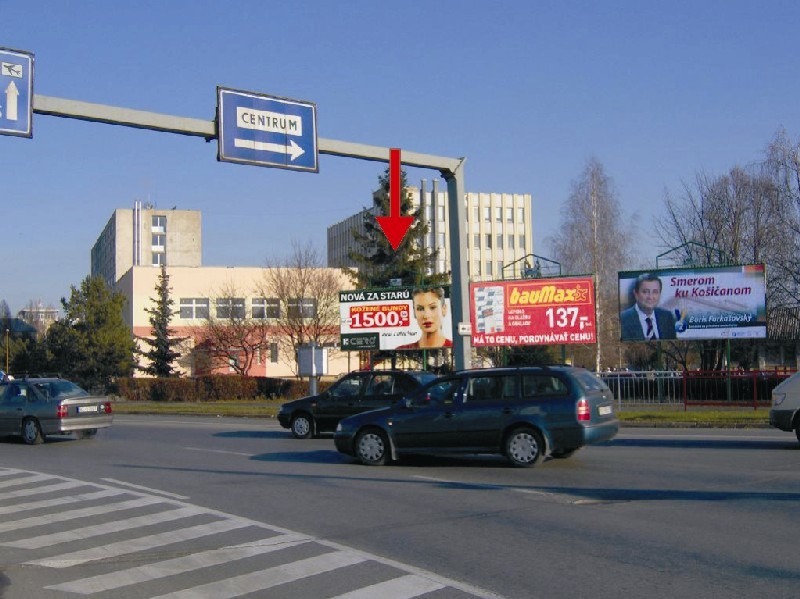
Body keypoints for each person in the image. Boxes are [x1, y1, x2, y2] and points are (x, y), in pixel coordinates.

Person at [620, 273, 676, 340]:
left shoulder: (667, 316)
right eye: (645, 292)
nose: (650, 297)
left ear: (660, 294)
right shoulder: (623, 319)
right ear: (636, 294)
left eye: (655, 292)